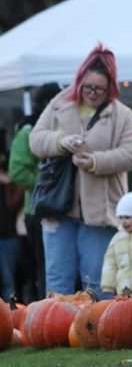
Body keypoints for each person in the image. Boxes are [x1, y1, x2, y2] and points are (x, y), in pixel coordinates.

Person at [29, 44, 132, 298]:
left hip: (101, 211)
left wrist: (95, 162)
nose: (92, 93)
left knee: (99, 281)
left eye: (99, 89)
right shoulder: (59, 104)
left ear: (110, 88)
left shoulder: (121, 115)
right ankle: (55, 331)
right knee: (58, 278)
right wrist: (60, 142)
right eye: (87, 87)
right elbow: (36, 141)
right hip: (58, 206)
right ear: (78, 82)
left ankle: (98, 333)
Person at [8, 82, 61, 301]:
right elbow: (17, 171)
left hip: (65, 209)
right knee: (45, 267)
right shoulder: (29, 130)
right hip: (39, 209)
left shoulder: (66, 126)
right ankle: (44, 312)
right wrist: (47, 182)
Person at [0, 138, 24, 302]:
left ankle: (10, 317)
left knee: (8, 281)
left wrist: (8, 183)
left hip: (7, 235)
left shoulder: (11, 178)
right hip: (7, 236)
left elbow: (12, 205)